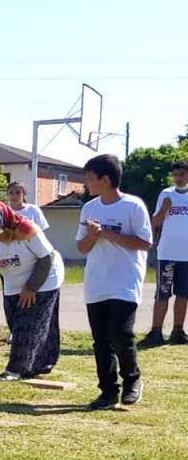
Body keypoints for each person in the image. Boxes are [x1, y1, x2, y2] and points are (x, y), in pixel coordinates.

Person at [75, 154, 153, 410]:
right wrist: (93, 236)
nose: (86, 183)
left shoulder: (133, 206)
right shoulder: (90, 208)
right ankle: (107, 392)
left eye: (90, 178)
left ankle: (132, 380)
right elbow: (82, 247)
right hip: (97, 283)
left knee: (120, 333)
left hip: (125, 281)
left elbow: (144, 243)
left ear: (105, 179)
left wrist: (107, 233)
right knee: (101, 340)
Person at [0, 200, 65, 380]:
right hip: (13, 280)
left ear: (3, 217)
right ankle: (41, 364)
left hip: (45, 275)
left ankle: (15, 370)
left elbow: (46, 258)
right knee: (16, 321)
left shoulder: (26, 230)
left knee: (28, 323)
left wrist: (31, 287)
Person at [138, 160, 188, 348]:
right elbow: (154, 222)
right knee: (162, 294)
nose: (178, 178)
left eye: (182, 174)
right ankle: (156, 331)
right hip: (167, 253)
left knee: (183, 295)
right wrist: (166, 208)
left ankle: (178, 331)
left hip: (187, 256)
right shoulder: (166, 194)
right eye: (175, 175)